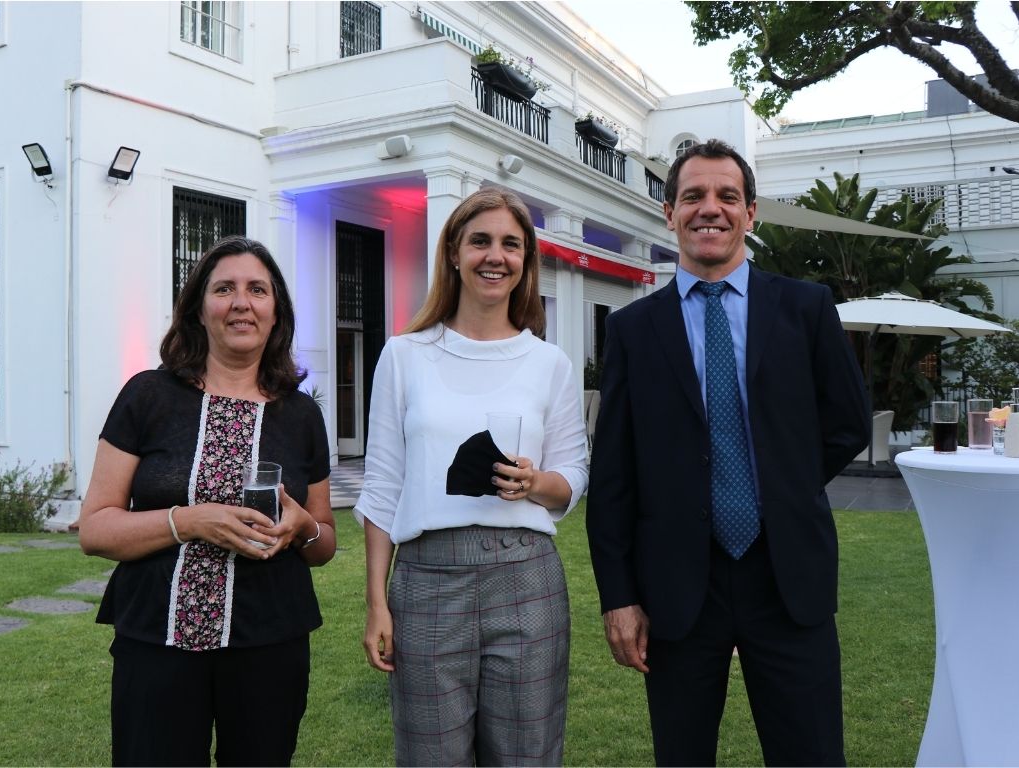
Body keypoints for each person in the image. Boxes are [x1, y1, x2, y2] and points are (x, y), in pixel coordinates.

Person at [586, 139, 869, 767]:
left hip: (787, 574)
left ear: (751, 213)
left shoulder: (807, 308)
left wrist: (777, 485)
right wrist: (618, 595)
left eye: (726, 197)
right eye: (693, 196)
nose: (709, 209)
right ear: (669, 213)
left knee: (812, 756)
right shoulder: (633, 330)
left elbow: (847, 422)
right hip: (678, 589)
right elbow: (613, 475)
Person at [76, 235, 337, 767]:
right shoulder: (147, 395)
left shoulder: (302, 415)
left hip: (270, 643)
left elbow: (324, 541)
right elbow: (96, 529)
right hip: (157, 642)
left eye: (257, 290)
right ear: (198, 308)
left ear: (275, 311)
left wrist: (302, 526)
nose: (241, 302)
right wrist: (188, 522)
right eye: (224, 289)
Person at [355, 187, 590, 766]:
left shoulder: (549, 363)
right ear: (454, 253)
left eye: (511, 244)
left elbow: (573, 475)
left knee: (527, 756)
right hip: (428, 581)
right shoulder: (404, 356)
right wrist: (376, 603)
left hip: (526, 580)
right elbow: (383, 485)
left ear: (525, 263)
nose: (496, 255)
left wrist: (536, 484)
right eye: (480, 240)